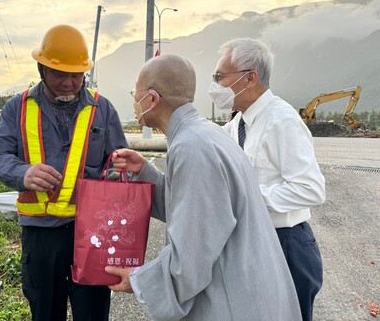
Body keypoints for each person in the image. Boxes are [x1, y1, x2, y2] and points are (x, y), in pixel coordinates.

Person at [105, 54, 302, 320]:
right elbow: (195, 211)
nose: (134, 102)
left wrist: (139, 280)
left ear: (151, 99)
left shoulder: (191, 147)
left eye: (135, 93)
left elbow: (191, 256)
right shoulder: (205, 133)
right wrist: (145, 172)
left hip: (232, 302)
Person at [0, 24, 127, 321]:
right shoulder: (18, 108)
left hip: (92, 234)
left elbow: (117, 162)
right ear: (42, 70)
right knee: (45, 312)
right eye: (60, 74)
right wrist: (23, 173)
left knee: (92, 312)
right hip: (40, 235)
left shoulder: (103, 110)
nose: (69, 83)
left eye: (77, 75)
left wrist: (113, 176)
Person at [208, 38, 325, 321]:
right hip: (256, 240)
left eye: (220, 77)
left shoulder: (280, 121)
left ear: (250, 78)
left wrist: (249, 197)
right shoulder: (238, 123)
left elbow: (311, 189)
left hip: (286, 244)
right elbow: (209, 150)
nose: (215, 86)